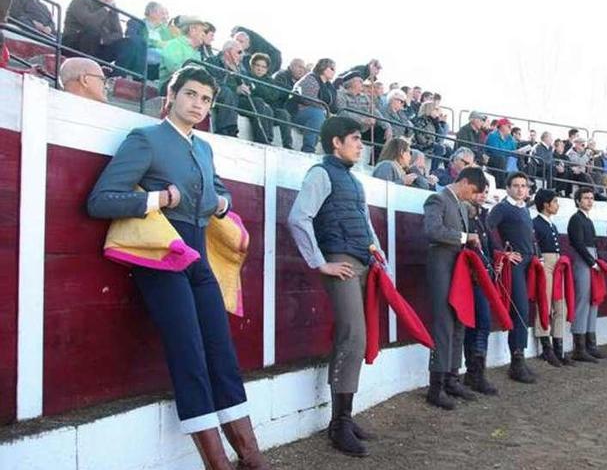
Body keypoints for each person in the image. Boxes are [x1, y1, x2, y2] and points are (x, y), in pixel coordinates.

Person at [86, 66, 268, 469]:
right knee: (188, 352)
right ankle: (216, 462)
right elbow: (100, 200)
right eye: (191, 94)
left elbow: (216, 189)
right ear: (172, 95)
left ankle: (250, 454)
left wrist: (224, 202)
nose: (198, 104)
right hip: (161, 255)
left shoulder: (202, 148)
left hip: (198, 253)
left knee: (220, 349)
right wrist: (157, 200)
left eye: (205, 99)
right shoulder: (145, 139)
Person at [287, 116, 387, 457]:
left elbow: (364, 222)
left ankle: (343, 417)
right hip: (341, 263)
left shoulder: (353, 180)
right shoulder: (320, 173)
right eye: (356, 139)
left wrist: (377, 251)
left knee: (355, 337)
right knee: (353, 336)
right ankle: (339, 423)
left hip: (361, 261)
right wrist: (319, 262)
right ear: (336, 142)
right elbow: (298, 217)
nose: (361, 145)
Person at [424, 167, 488, 410]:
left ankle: (452, 378)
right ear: (463, 181)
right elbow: (432, 230)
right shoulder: (437, 199)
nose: (472, 196)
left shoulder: (461, 205)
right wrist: (465, 237)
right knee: (443, 324)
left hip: (458, 271)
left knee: (459, 321)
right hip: (441, 268)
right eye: (472, 190)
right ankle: (436, 386)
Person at [487, 172, 538, 383]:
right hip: (515, 263)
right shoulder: (501, 208)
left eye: (523, 186)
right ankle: (516, 362)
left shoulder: (523, 209)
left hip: (528, 262)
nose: (520, 189)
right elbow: (487, 229)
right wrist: (502, 252)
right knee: (520, 309)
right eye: (516, 186)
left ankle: (520, 358)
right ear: (507, 188)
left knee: (525, 308)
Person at [61, 0, 144, 77]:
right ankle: (88, 73)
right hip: (75, 44)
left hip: (99, 46)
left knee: (129, 43)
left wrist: (103, 40)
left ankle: (116, 78)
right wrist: (106, 8)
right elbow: (89, 23)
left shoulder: (112, 8)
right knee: (92, 32)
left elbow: (118, 33)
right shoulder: (80, 0)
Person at [462, 186, 499, 395]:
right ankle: (475, 373)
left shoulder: (482, 215)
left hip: (483, 276)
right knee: (479, 323)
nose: (483, 195)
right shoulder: (465, 213)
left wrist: (495, 263)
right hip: (472, 277)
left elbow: (489, 246)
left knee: (480, 324)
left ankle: (475, 372)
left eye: (485, 191)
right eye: (479, 191)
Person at [532, 189, 573, 367]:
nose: (557, 205)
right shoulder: (535, 223)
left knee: (560, 305)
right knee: (545, 303)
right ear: (546, 204)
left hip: (557, 264)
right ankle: (546, 347)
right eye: (555, 202)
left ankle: (558, 347)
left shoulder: (551, 224)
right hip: (546, 263)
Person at [205, 40, 273, 144]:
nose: (242, 55)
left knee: (259, 102)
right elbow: (213, 81)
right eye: (239, 52)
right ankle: (227, 130)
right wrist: (235, 87)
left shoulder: (240, 67)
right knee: (228, 92)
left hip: (239, 99)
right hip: (221, 95)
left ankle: (264, 139)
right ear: (227, 52)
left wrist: (246, 85)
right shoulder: (212, 61)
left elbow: (248, 82)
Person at [567, 187, 605, 362]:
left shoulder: (587, 219)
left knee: (593, 299)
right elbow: (578, 244)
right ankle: (579, 347)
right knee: (583, 300)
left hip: (591, 259)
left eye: (591, 198)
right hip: (584, 260)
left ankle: (590, 344)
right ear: (578, 201)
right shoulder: (576, 219)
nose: (590, 201)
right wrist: (592, 261)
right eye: (586, 198)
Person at [247, 53, 293, 149]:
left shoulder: (270, 81)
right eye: (257, 65)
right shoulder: (246, 75)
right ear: (252, 66)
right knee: (262, 104)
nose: (260, 69)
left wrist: (256, 88)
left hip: (268, 108)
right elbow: (251, 93)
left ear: (267, 69)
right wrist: (264, 92)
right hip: (252, 105)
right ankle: (265, 139)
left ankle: (288, 144)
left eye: (263, 67)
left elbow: (274, 96)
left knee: (283, 113)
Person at [292, 58, 336, 153]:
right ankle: (308, 149)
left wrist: (330, 113)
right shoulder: (311, 78)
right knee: (317, 115)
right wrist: (325, 111)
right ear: (323, 68)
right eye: (332, 68)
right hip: (299, 111)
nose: (334, 71)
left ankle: (332, 154)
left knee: (335, 121)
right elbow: (308, 99)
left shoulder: (329, 86)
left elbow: (333, 105)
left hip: (320, 113)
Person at [159, 15, 205, 83]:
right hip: (171, 85)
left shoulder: (196, 52)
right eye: (202, 31)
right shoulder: (173, 44)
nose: (204, 34)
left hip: (191, 86)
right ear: (192, 30)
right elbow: (175, 69)